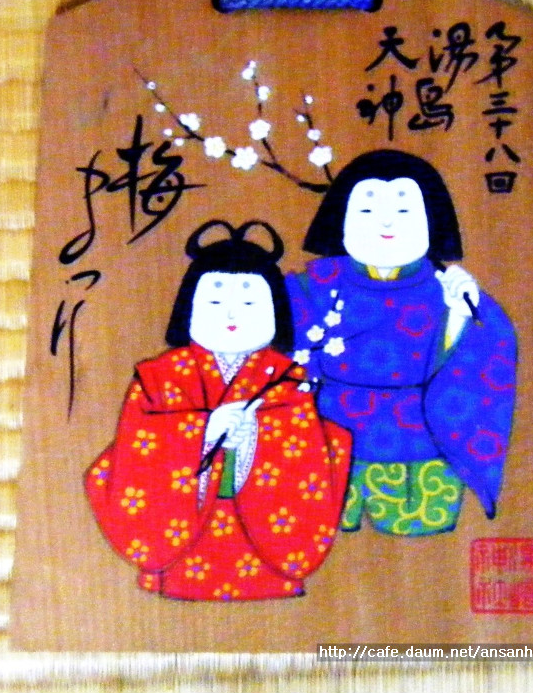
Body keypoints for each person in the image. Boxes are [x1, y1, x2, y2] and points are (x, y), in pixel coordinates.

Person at [85, 220, 351, 601]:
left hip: (262, 546)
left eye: (249, 304)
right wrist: (203, 431)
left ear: (275, 310)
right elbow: (136, 449)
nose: (231, 316)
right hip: (182, 541)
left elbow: (305, 457)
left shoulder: (288, 379)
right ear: (188, 308)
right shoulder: (159, 377)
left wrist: (255, 436)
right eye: (214, 302)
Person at [286, 150, 517, 537]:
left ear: (432, 220)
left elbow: (491, 358)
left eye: (404, 210)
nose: (386, 222)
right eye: (367, 210)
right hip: (324, 449)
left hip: (421, 453)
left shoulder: (453, 292)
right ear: (341, 217)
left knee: (425, 553)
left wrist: (460, 319)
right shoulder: (310, 288)